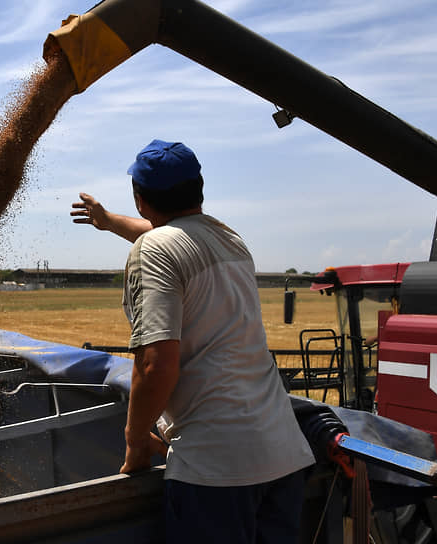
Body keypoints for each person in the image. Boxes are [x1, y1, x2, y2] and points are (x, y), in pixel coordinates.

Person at [71, 139, 315, 543]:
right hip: (282, 457)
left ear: (140, 199)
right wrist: (107, 220)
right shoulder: (229, 239)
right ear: (199, 187)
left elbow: (155, 365)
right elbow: (166, 233)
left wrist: (135, 443)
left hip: (216, 472)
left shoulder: (154, 251)